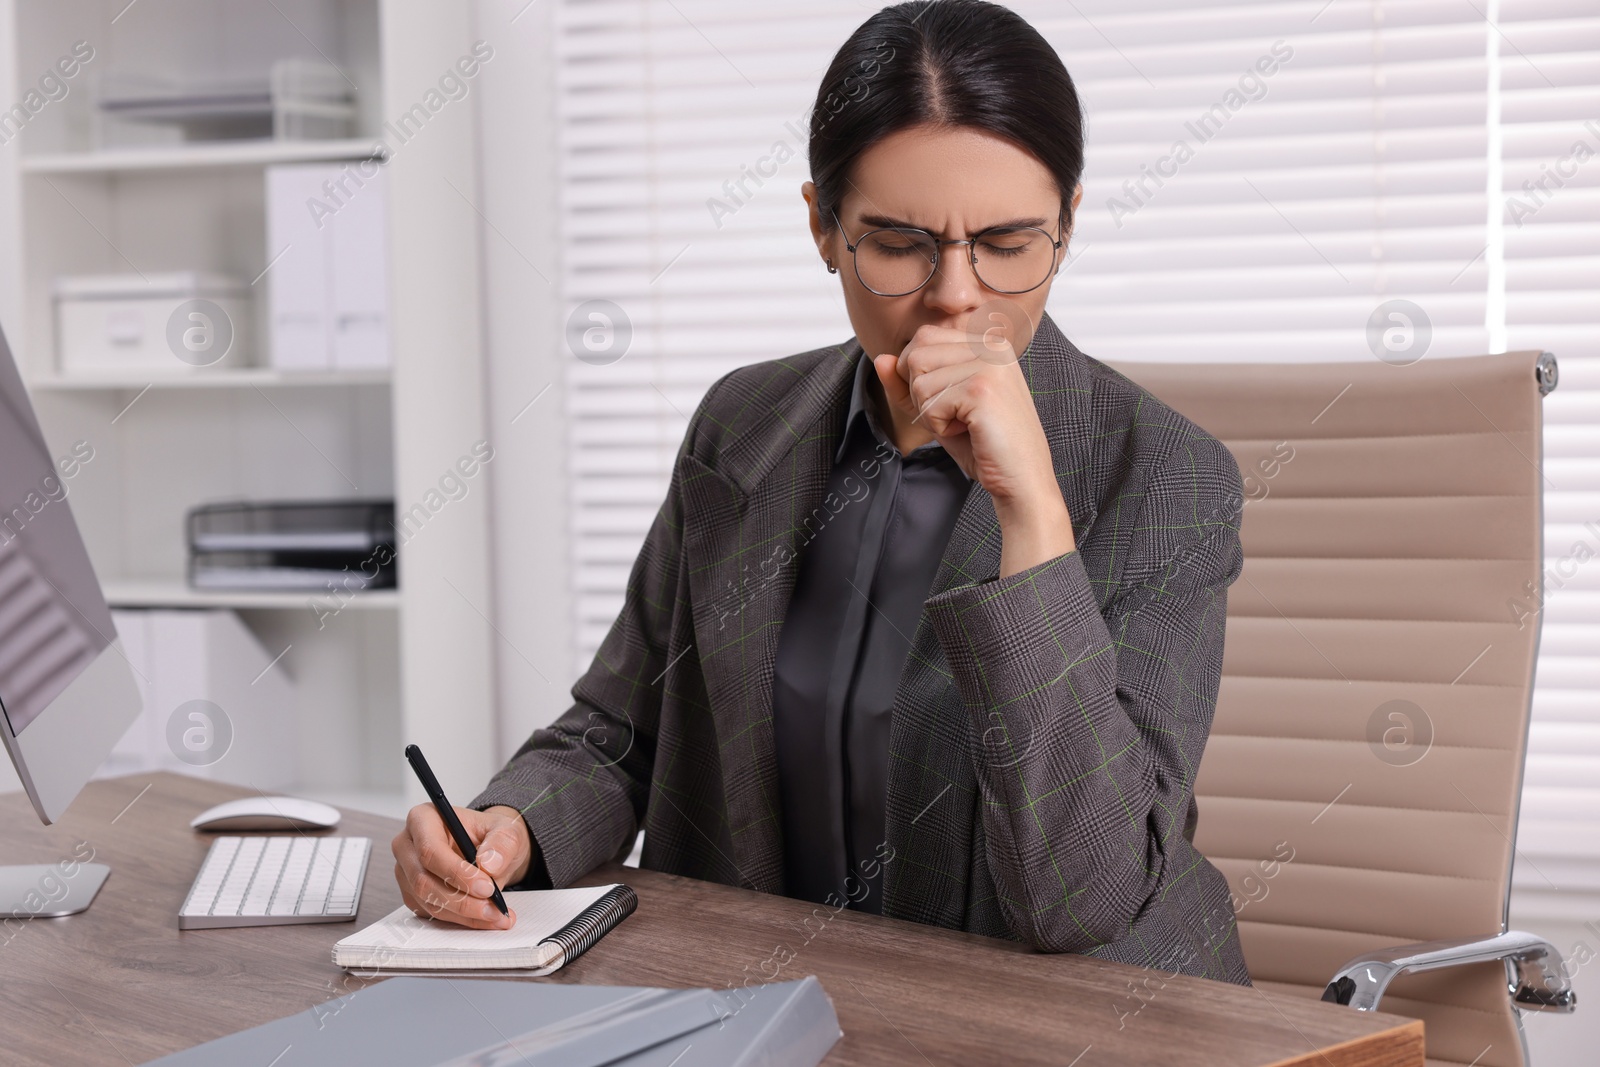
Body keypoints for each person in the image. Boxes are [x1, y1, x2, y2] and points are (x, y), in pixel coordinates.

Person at [392, 0, 1250, 985]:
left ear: (1068, 223)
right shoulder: (741, 426)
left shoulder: (1167, 476)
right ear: (821, 226)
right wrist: (507, 824)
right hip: (779, 1001)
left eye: (1010, 243)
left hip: (1068, 1020)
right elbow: (625, 731)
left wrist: (1031, 514)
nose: (957, 295)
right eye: (899, 243)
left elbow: (1087, 896)